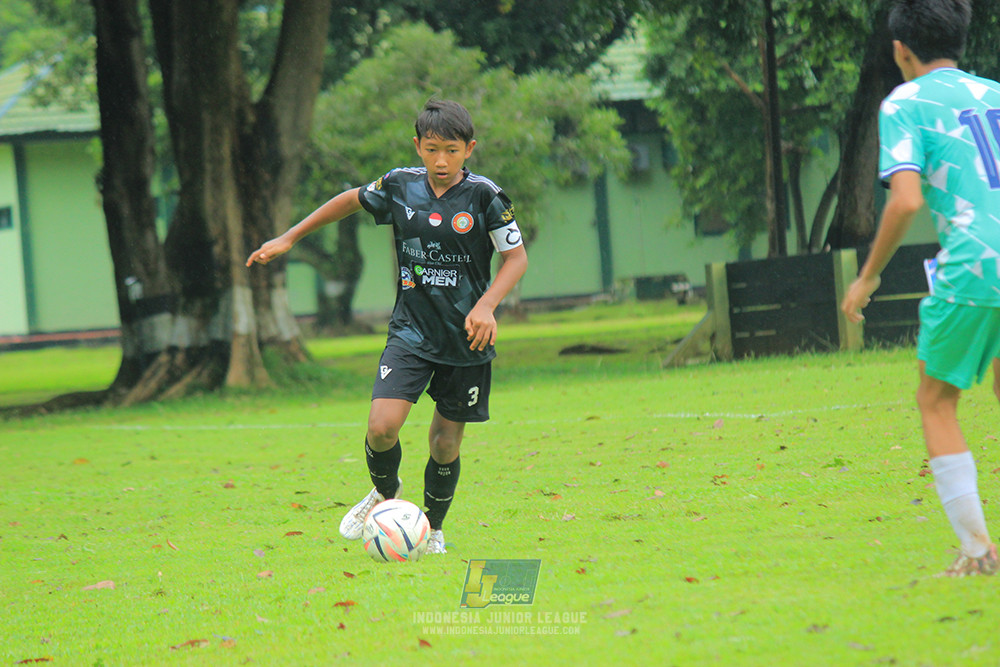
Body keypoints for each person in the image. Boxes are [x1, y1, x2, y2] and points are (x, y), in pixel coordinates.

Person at [247, 99, 528, 555]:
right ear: (417, 146)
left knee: (443, 443)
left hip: (466, 339)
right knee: (381, 428)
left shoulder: (485, 197)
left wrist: (487, 305)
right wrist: (290, 237)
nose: (441, 160)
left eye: (452, 150)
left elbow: (516, 258)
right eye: (432, 148)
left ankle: (432, 530)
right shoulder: (399, 186)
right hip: (411, 333)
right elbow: (349, 201)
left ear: (469, 149)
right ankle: (386, 495)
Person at [841, 0, 1000, 576]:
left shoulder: (904, 103)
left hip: (977, 266)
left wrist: (867, 276)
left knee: (937, 400)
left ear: (900, 49)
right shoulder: (996, 93)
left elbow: (906, 199)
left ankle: (979, 553)